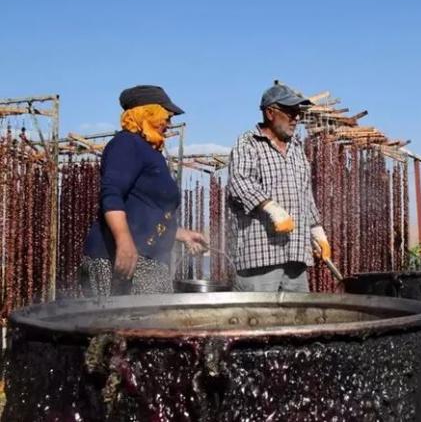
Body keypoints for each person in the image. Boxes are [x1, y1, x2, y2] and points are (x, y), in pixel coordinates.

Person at [82, 85, 207, 296]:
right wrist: (124, 241)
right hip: (120, 257)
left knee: (154, 325)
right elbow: (111, 194)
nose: (169, 124)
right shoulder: (126, 144)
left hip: (149, 259)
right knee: (120, 325)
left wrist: (182, 235)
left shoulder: (151, 151)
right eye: (166, 117)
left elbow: (144, 212)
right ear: (146, 114)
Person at [226, 82, 330, 292]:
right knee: (259, 320)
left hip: (296, 255)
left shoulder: (296, 149)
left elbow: (305, 194)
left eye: (298, 113)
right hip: (261, 256)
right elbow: (239, 182)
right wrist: (271, 208)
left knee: (298, 319)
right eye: (290, 112)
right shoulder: (249, 143)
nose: (296, 118)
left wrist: (316, 228)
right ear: (270, 113)